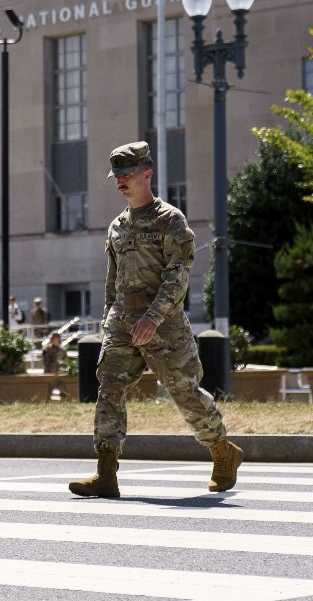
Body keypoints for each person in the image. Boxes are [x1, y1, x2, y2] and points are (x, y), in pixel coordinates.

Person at [70, 141, 242, 499]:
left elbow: (177, 276)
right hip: (121, 323)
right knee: (110, 390)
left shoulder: (170, 220)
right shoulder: (117, 225)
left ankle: (222, 451)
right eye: (116, 175)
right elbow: (112, 280)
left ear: (146, 174)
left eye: (127, 173)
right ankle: (106, 472)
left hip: (164, 325)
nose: (120, 180)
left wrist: (152, 317)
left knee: (184, 393)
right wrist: (108, 318)